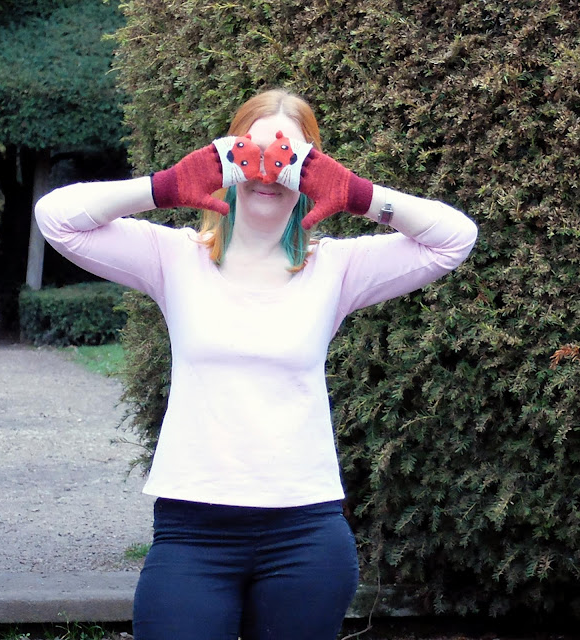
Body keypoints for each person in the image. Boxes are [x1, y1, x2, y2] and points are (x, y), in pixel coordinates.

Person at [35, 89, 478, 640]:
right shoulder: (174, 256)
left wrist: (358, 194)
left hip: (305, 534)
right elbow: (56, 219)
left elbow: (454, 239)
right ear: (224, 158)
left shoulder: (335, 267)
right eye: (251, 154)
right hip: (193, 530)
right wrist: (166, 186)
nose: (269, 171)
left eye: (289, 158)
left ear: (313, 169)